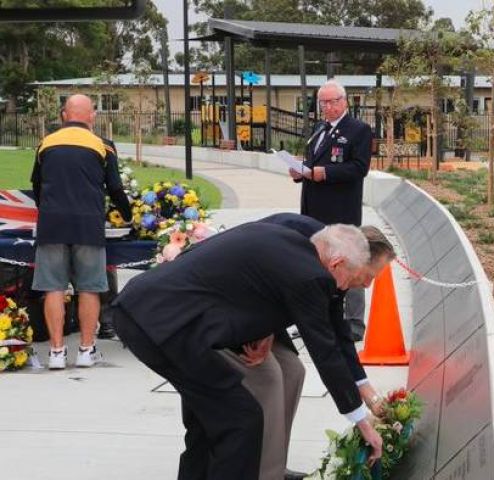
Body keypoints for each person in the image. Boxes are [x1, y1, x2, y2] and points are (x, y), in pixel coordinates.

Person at [111, 222, 383, 480]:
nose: (345, 289)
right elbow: (325, 352)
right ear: (337, 264)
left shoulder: (290, 239)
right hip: (165, 326)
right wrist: (361, 420)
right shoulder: (311, 276)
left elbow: (254, 283)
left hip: (153, 313)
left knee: (210, 421)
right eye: (353, 280)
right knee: (240, 420)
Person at [223, 213, 396, 480]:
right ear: (355, 259)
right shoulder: (317, 261)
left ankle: (274, 464)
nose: (368, 285)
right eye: (370, 275)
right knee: (269, 379)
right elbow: (323, 347)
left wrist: (367, 391)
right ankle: (261, 472)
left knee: (293, 371)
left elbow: (339, 333)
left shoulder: (337, 261)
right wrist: (361, 421)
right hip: (233, 304)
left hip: (265, 306)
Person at [31, 94, 132, 370]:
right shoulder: (103, 146)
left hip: (52, 226)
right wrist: (129, 216)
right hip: (89, 225)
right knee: (89, 287)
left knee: (52, 287)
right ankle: (86, 350)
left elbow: (37, 187)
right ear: (91, 116)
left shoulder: (45, 144)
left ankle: (56, 352)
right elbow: (115, 188)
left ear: (64, 115)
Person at [289, 79, 373, 341]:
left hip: (341, 210)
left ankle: (355, 322)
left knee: (349, 262)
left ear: (344, 101)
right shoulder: (319, 129)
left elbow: (359, 168)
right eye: (323, 102)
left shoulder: (358, 130)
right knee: (316, 265)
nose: (327, 106)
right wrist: (300, 172)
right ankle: (317, 318)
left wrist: (323, 173)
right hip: (313, 209)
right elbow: (313, 163)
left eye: (332, 101)